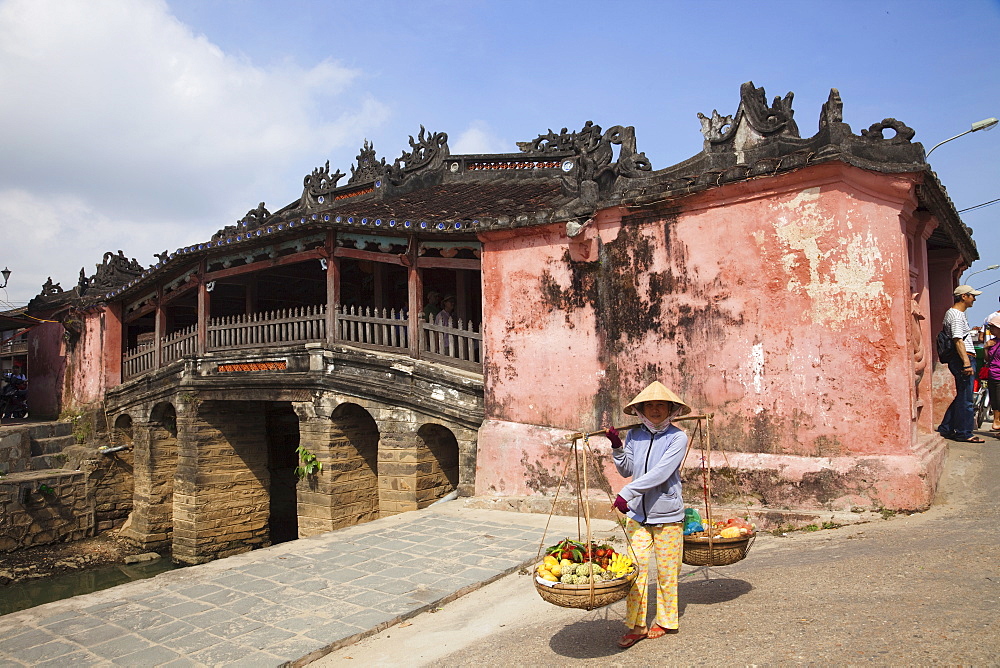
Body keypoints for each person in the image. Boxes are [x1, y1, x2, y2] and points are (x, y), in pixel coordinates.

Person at [605, 381, 691, 648]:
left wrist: (626, 493)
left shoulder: (678, 437)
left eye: (660, 405)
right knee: (635, 571)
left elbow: (662, 473)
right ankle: (638, 624)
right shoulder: (635, 435)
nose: (655, 410)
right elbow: (627, 470)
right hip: (637, 515)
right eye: (649, 405)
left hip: (667, 514)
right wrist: (618, 446)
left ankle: (666, 620)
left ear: (671, 409)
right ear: (641, 410)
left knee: (667, 572)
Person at [937, 285, 986, 443]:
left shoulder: (953, 314)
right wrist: (966, 362)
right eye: (972, 296)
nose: (974, 299)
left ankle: (947, 427)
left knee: (962, 396)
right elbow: (958, 340)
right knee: (966, 398)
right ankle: (964, 432)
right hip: (963, 358)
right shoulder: (957, 315)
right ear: (964, 296)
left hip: (960, 358)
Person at [982, 315, 1000, 432]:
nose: (991, 330)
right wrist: (985, 348)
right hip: (993, 374)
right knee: (995, 399)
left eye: (993, 327)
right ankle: (996, 421)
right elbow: (988, 359)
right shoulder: (993, 342)